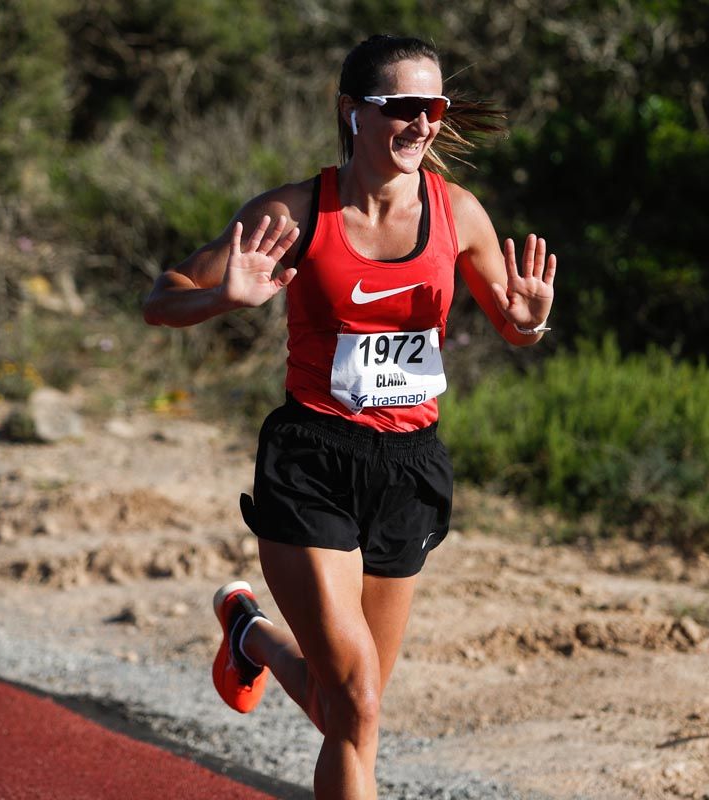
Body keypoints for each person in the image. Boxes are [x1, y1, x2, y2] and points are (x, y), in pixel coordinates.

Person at [143, 34, 555, 800]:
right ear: (351, 112)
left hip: (409, 469)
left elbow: (512, 322)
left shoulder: (457, 212)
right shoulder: (296, 210)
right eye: (402, 107)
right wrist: (221, 297)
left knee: (350, 712)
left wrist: (528, 323)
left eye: (433, 107)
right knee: (356, 700)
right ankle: (254, 635)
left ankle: (251, 635)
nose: (423, 124)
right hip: (313, 461)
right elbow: (159, 298)